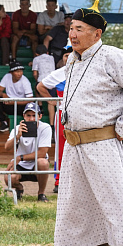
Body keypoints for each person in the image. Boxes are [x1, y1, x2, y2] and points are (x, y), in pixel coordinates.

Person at [43, 0, 123, 246]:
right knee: (73, 206)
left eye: (79, 28)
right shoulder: (74, 60)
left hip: (103, 143)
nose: (72, 34)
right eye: (71, 28)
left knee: (119, 206)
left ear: (97, 33)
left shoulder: (113, 56)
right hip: (75, 145)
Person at [37, 47, 72, 193]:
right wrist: (51, 101)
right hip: (64, 115)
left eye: (72, 55)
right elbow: (40, 86)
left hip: (84, 115)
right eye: (66, 55)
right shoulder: (60, 73)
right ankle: (59, 181)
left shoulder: (87, 72)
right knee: (61, 148)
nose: (69, 57)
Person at [3, 102, 51, 202]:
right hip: (21, 164)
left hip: (35, 163)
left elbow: (42, 153)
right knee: (9, 178)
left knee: (43, 162)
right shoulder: (17, 128)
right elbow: (7, 147)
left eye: (34, 115)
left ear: (40, 116)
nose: (31, 118)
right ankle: (19, 189)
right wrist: (17, 136)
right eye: (28, 115)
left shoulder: (45, 127)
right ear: (24, 116)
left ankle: (41, 194)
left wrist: (20, 157)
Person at [0, 60, 33, 132]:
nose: (19, 74)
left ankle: (28, 127)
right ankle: (3, 122)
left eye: (21, 71)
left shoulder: (25, 81)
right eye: (17, 71)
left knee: (30, 106)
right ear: (11, 72)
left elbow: (30, 99)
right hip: (8, 104)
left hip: (20, 106)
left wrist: (14, 102)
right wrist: (3, 94)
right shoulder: (7, 76)